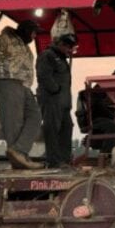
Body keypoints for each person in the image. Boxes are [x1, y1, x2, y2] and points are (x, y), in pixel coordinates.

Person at [0, 20, 43, 170]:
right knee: (14, 122)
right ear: (26, 30)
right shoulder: (2, 40)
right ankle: (19, 162)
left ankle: (19, 151)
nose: (34, 36)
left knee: (35, 116)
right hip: (7, 82)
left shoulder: (25, 47)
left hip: (24, 86)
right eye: (33, 32)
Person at [36, 33, 77, 168]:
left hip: (64, 102)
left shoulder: (62, 59)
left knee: (67, 127)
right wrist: (55, 90)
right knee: (52, 129)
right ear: (60, 44)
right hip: (51, 100)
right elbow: (44, 76)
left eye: (71, 47)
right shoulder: (47, 55)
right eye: (67, 46)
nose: (69, 49)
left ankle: (64, 160)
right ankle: (54, 161)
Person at [78, 66, 115, 153]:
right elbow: (97, 106)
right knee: (111, 126)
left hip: (108, 119)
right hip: (94, 118)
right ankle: (106, 155)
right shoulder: (101, 87)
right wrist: (114, 117)